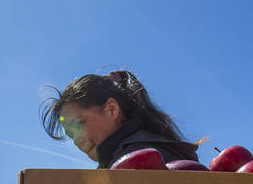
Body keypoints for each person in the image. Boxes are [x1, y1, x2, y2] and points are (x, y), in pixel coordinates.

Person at [41, 70, 199, 167]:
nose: (76, 140)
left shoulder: (138, 161)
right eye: (71, 135)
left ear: (111, 109)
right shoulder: (150, 149)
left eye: (79, 124)